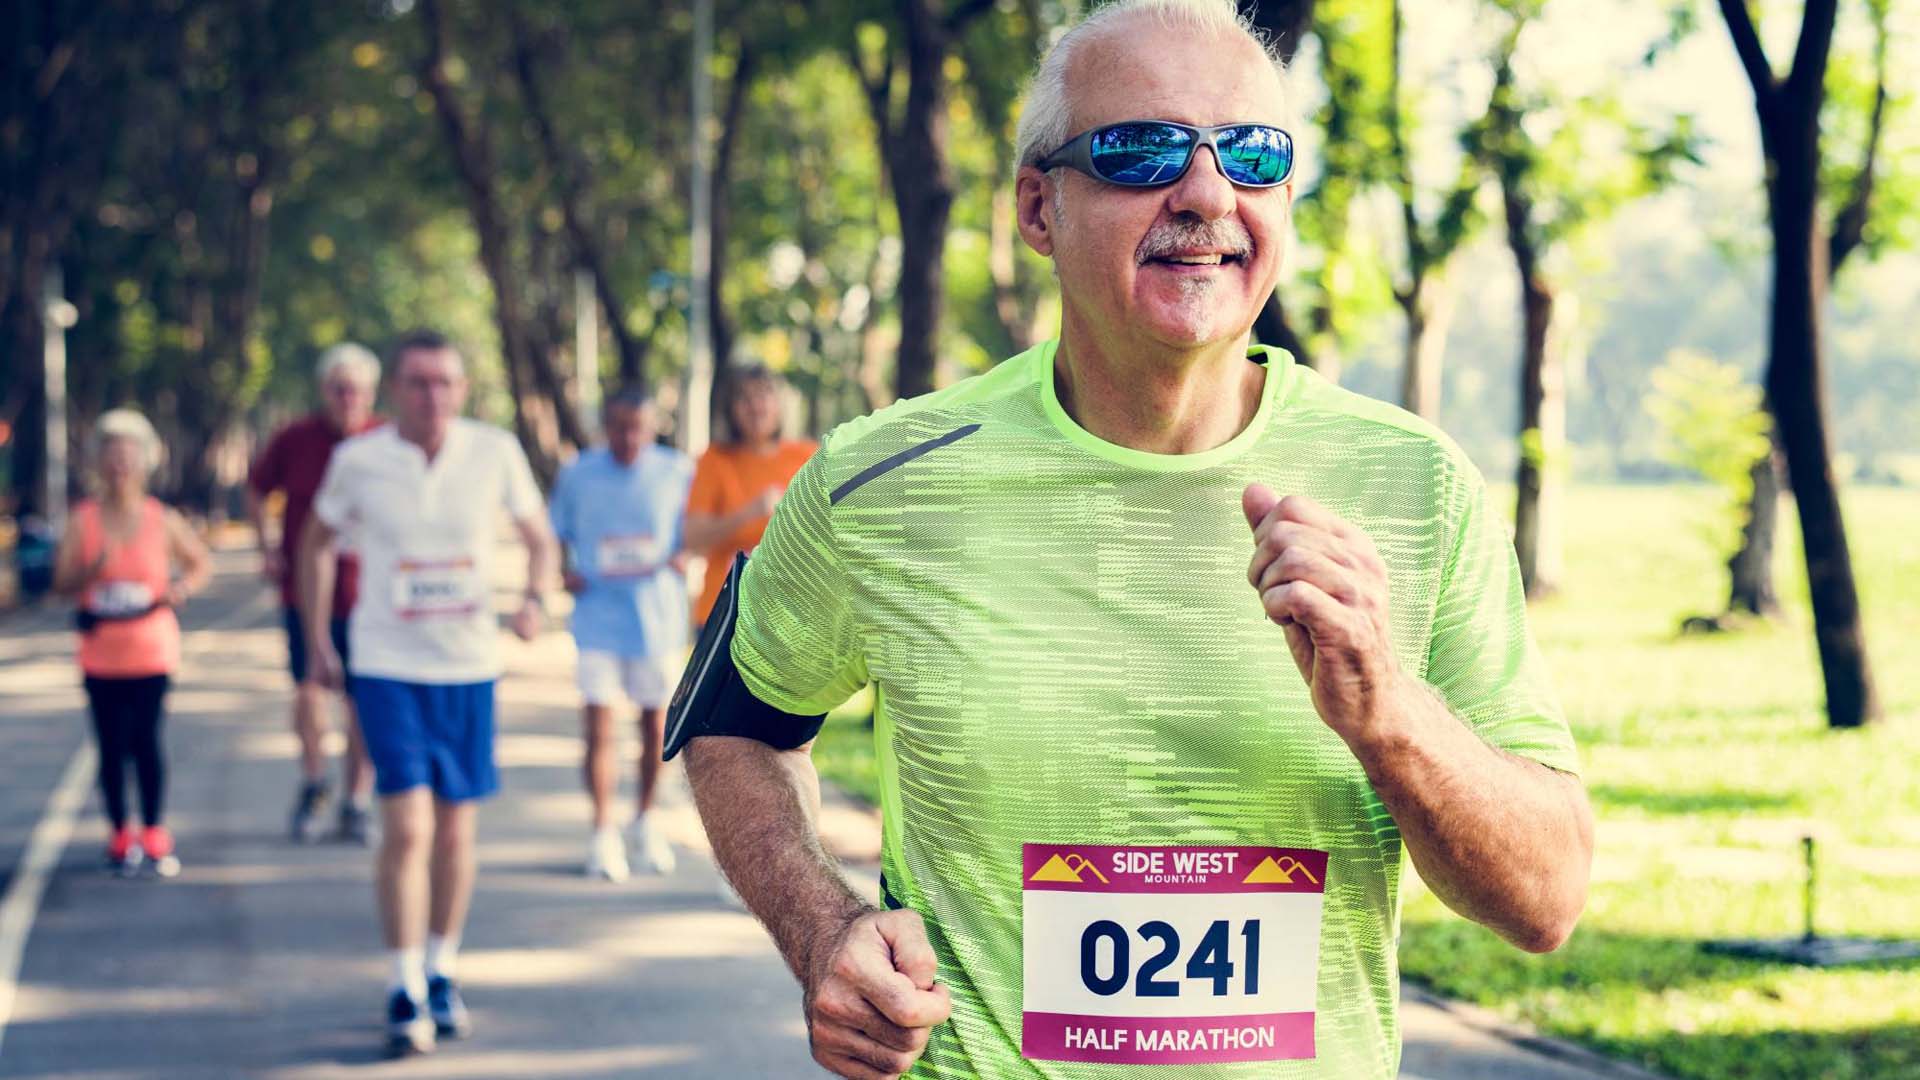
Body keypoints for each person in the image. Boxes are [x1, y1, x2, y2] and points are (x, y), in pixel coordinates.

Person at [680, 2, 1594, 1077]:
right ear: (1038, 207)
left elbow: (1546, 899)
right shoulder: (882, 480)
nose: (1207, 193)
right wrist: (822, 930)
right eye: (1140, 150)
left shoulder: (1417, 486)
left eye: (1253, 155)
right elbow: (729, 722)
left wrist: (1389, 710)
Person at [298, 330, 557, 1058]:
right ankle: (402, 980)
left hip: (468, 667)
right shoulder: (360, 460)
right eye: (418, 383)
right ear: (395, 392)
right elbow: (315, 544)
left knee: (454, 831)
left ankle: (442, 967)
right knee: (407, 826)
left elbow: (540, 539)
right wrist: (319, 636)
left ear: (463, 389)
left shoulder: (494, 451)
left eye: (445, 382)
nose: (432, 396)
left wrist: (534, 597)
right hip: (385, 663)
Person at [53, 409, 211, 878]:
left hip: (151, 649)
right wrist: (90, 569)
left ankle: (155, 830)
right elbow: (61, 584)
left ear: (144, 461)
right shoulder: (83, 520)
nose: (120, 464)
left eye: (128, 454)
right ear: (98, 461)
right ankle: (120, 832)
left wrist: (179, 590)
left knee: (146, 740)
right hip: (100, 650)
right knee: (110, 744)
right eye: (111, 453)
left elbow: (199, 563)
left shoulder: (160, 518)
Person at [549, 386, 693, 880]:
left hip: (655, 620)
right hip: (597, 618)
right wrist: (564, 570)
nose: (628, 438)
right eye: (619, 428)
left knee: (656, 727)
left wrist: (682, 555)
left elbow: (692, 534)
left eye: (638, 428)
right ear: (604, 427)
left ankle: (645, 819)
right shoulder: (578, 474)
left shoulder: (676, 472)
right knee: (598, 724)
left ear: (653, 428)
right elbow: (557, 534)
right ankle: (601, 831)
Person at [248, 342, 381, 844]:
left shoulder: (385, 439)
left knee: (362, 702)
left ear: (371, 394)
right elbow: (256, 488)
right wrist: (268, 547)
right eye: (339, 389)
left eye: (357, 390)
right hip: (304, 593)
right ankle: (314, 779)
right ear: (325, 392)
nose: (348, 398)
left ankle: (357, 800)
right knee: (308, 689)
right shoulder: (296, 438)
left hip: (370, 594)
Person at [682, 364, 816, 629]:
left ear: (779, 403)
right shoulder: (713, 460)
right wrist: (748, 513)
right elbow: (692, 538)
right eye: (744, 398)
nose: (756, 406)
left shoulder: (807, 456)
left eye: (764, 394)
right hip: (726, 611)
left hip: (792, 613)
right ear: (730, 409)